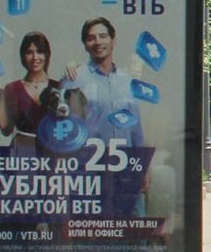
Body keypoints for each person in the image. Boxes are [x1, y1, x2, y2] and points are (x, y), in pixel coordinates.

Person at [64, 16, 149, 217]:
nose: (98, 42)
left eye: (103, 36)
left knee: (135, 228)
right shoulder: (74, 80)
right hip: (89, 173)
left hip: (126, 172)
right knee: (92, 231)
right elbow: (64, 131)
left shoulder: (127, 81)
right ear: (85, 44)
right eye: (91, 38)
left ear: (113, 40)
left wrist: (144, 168)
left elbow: (136, 131)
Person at [0, 32, 55, 153]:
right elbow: (6, 130)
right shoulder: (13, 88)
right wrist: (1, 94)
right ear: (23, 56)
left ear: (47, 55)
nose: (35, 57)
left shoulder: (59, 87)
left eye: (40, 52)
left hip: (52, 151)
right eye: (29, 52)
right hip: (23, 151)